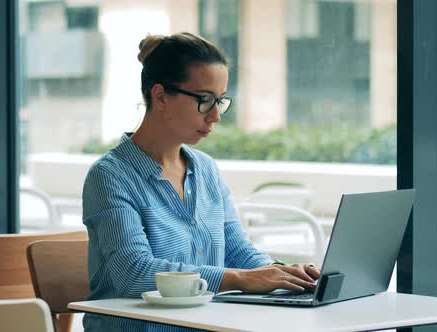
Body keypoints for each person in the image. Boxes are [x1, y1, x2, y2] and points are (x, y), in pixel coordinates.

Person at [82, 32, 320, 331]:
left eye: (220, 101)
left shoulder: (206, 170)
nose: (216, 116)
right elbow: (134, 272)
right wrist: (242, 279)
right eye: (205, 101)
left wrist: (284, 273)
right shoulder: (110, 176)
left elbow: (237, 252)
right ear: (160, 96)